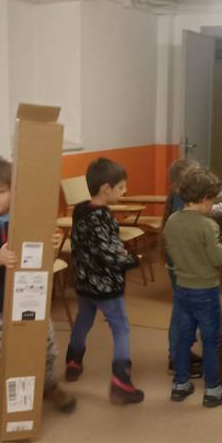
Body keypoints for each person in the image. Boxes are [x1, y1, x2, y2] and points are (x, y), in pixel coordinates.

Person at [0, 156, 75, 413]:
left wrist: (52, 247)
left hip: (31, 300)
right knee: (1, 358)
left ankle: (48, 386)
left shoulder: (26, 219)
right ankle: (3, 407)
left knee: (47, 349)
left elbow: (43, 263)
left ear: (13, 192)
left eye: (0, 191)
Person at [162, 158, 222, 377]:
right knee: (186, 316)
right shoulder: (198, 217)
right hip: (190, 272)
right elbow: (217, 207)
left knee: (182, 313)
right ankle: (176, 358)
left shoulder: (184, 202)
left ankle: (178, 357)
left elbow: (209, 197)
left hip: (180, 268)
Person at [65, 157, 144, 404]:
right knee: (121, 327)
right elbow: (110, 256)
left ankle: (73, 361)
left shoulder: (80, 210)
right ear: (106, 188)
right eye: (121, 187)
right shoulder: (103, 216)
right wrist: (133, 259)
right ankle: (121, 381)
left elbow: (88, 247)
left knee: (83, 320)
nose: (124, 191)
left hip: (84, 282)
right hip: (107, 286)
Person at [163, 167, 222, 407]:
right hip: (206, 291)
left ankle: (180, 384)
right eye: (212, 200)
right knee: (210, 340)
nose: (212, 205)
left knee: (184, 339)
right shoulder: (208, 225)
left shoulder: (172, 221)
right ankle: (213, 389)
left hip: (182, 288)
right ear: (205, 199)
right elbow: (217, 258)